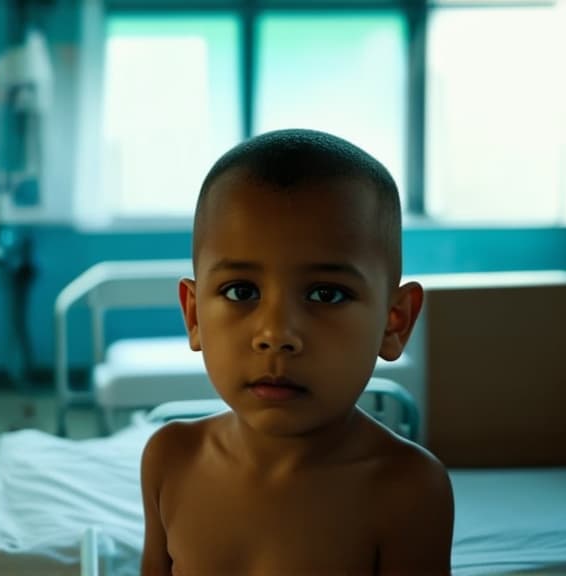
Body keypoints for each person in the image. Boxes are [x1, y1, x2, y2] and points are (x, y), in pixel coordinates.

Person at [140, 129, 454, 574]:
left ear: (394, 322)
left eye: (326, 294)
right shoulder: (171, 460)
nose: (276, 333)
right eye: (241, 290)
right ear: (194, 316)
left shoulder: (406, 492)